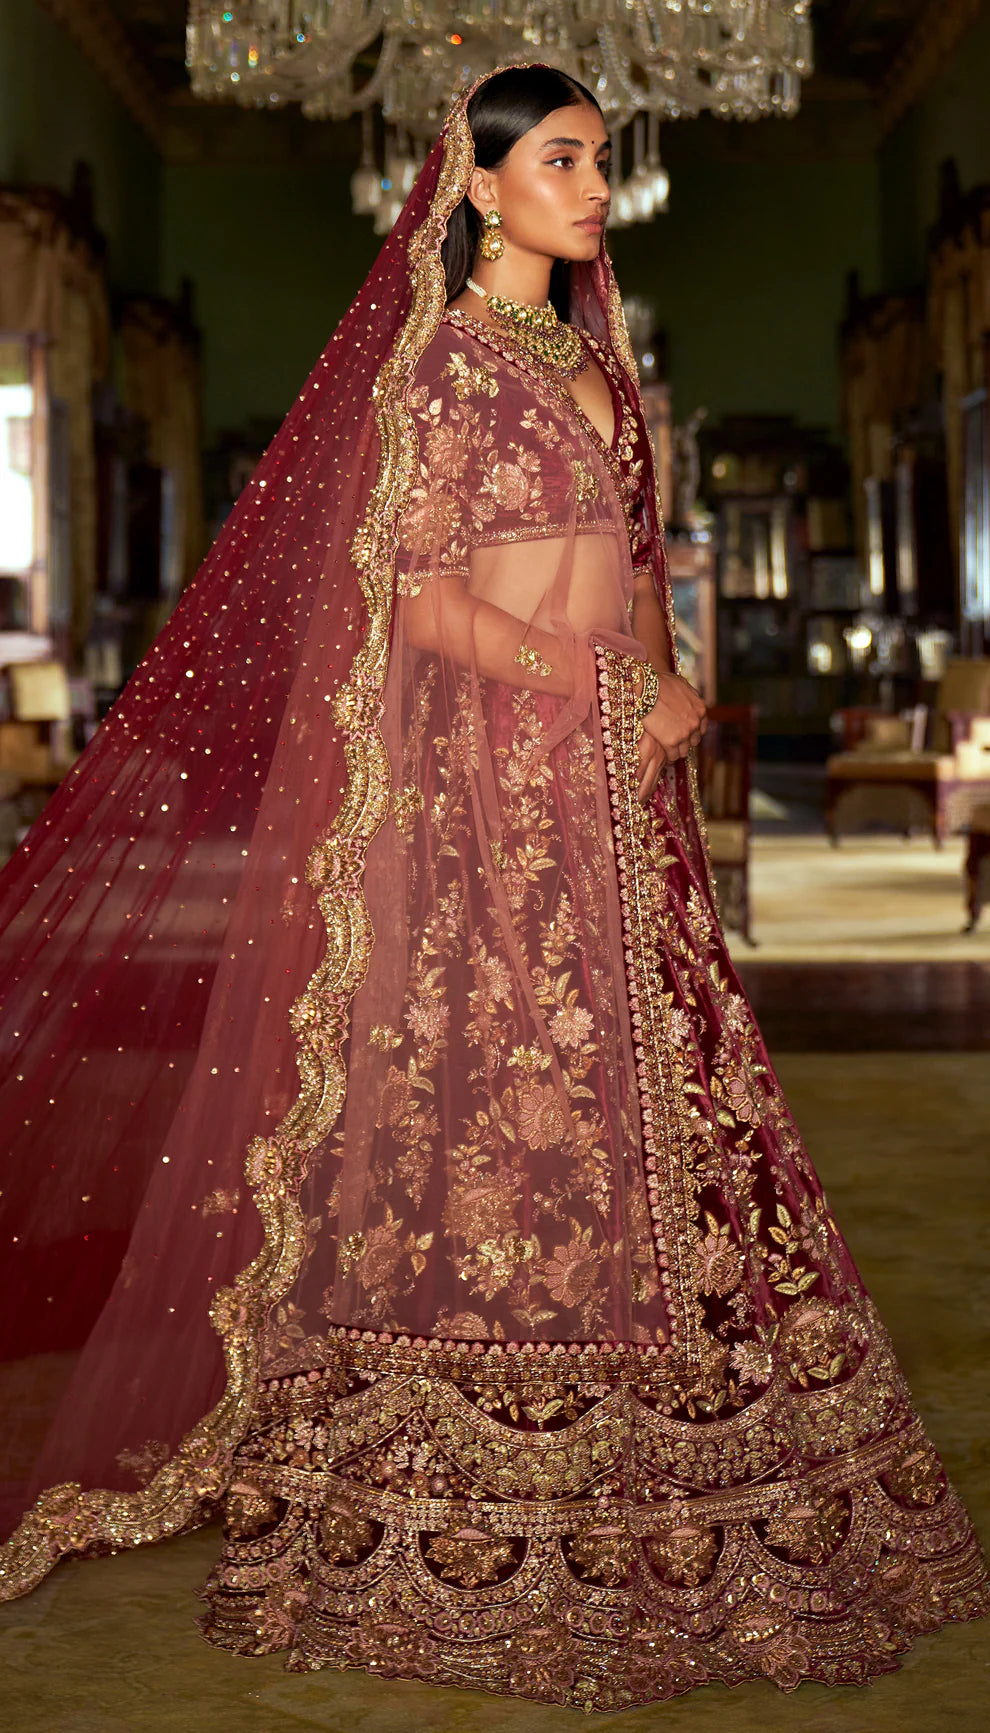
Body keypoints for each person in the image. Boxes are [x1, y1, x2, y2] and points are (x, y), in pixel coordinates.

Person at [0, 65, 985, 1713]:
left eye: (602, 159)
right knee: (496, 1085)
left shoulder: (598, 366)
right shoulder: (438, 371)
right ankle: (459, 1447)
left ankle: (680, 1412)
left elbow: (638, 570)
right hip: (498, 783)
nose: (592, 186)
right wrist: (606, 696)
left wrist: (659, 706)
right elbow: (427, 605)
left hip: (615, 777)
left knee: (668, 1091)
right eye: (559, 159)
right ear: (472, 183)